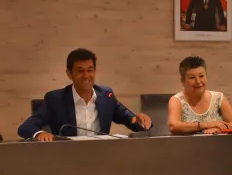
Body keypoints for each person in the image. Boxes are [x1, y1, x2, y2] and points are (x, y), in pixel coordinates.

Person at [16, 48, 153, 141]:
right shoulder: (56, 99)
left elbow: (132, 121)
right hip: (66, 159)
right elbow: (25, 127)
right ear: (70, 74)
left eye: (90, 70)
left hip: (102, 157)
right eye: (80, 71)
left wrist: (141, 120)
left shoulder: (106, 96)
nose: (86, 75)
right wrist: (40, 133)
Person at [168, 56, 232, 134]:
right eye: (192, 77)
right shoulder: (176, 100)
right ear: (183, 81)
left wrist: (220, 129)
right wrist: (206, 125)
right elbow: (173, 126)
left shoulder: (218, 98)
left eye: (201, 76)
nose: (198, 81)